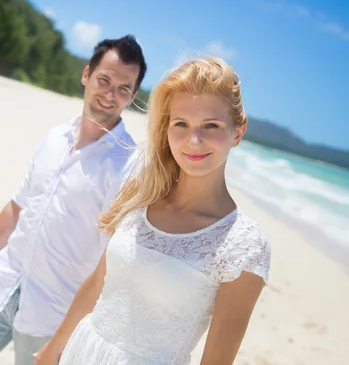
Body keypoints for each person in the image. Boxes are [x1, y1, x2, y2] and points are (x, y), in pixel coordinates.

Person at [34, 56, 272, 365]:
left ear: (237, 133)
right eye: (181, 124)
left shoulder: (245, 245)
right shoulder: (142, 195)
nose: (193, 141)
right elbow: (97, 284)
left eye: (210, 126)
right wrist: (54, 346)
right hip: (81, 353)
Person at [0, 35, 147, 365]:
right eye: (104, 80)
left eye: (123, 88)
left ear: (132, 96)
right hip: (0, 286)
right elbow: (17, 208)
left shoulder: (127, 164)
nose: (110, 94)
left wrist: (70, 336)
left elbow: (112, 260)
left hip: (52, 315)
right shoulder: (53, 137)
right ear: (87, 75)